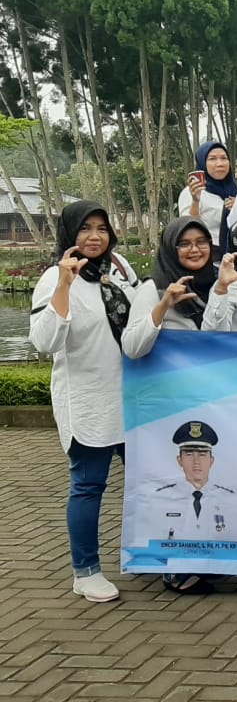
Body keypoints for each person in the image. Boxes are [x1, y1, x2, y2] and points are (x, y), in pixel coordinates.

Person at [29, 202, 137, 603]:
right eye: (85, 228)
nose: (94, 236)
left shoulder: (119, 268)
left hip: (133, 397)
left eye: (102, 228)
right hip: (89, 400)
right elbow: (44, 342)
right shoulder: (55, 278)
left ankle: (150, 553)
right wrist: (63, 286)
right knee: (89, 485)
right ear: (69, 233)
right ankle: (85, 571)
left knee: (146, 480)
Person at [149, 421, 237, 593]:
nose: (196, 461)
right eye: (189, 454)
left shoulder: (228, 497)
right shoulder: (162, 497)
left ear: (211, 460)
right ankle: (177, 576)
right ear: (179, 460)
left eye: (202, 454)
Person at [122, 218, 218, 358]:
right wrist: (162, 307)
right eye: (184, 244)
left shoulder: (218, 283)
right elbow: (132, 349)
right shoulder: (154, 289)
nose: (195, 249)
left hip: (217, 367)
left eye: (202, 242)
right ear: (170, 248)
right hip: (174, 371)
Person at [178, 140, 237, 254]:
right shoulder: (192, 192)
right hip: (208, 255)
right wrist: (195, 201)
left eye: (224, 158)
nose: (220, 163)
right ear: (202, 162)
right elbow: (187, 228)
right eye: (212, 159)